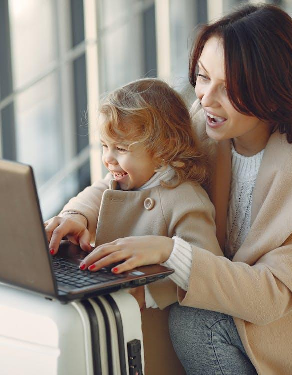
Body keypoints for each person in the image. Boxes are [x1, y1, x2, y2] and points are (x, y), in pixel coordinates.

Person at [50, 4, 292, 375]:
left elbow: (271, 294)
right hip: (235, 299)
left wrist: (171, 251)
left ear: (272, 90)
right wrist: (75, 215)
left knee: (195, 322)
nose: (205, 98)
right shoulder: (205, 125)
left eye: (228, 88)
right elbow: (125, 178)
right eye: (202, 76)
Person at [44, 78, 220, 373]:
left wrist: (147, 293)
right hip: (116, 324)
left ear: (164, 149)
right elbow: (99, 191)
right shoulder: (125, 178)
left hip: (152, 336)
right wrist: (76, 215)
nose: (108, 158)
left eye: (121, 148)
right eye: (104, 146)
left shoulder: (185, 199)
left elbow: (206, 268)